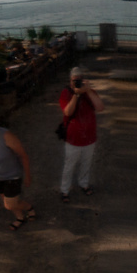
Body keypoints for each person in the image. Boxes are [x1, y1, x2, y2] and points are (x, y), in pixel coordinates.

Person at [57, 66, 104, 199]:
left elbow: (100, 107)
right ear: (70, 81)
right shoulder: (66, 94)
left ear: (84, 80)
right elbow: (68, 112)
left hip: (89, 137)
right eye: (74, 80)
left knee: (86, 163)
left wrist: (88, 90)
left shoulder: (90, 92)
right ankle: (64, 190)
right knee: (69, 165)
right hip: (73, 138)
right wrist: (77, 94)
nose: (76, 82)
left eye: (79, 79)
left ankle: (84, 184)